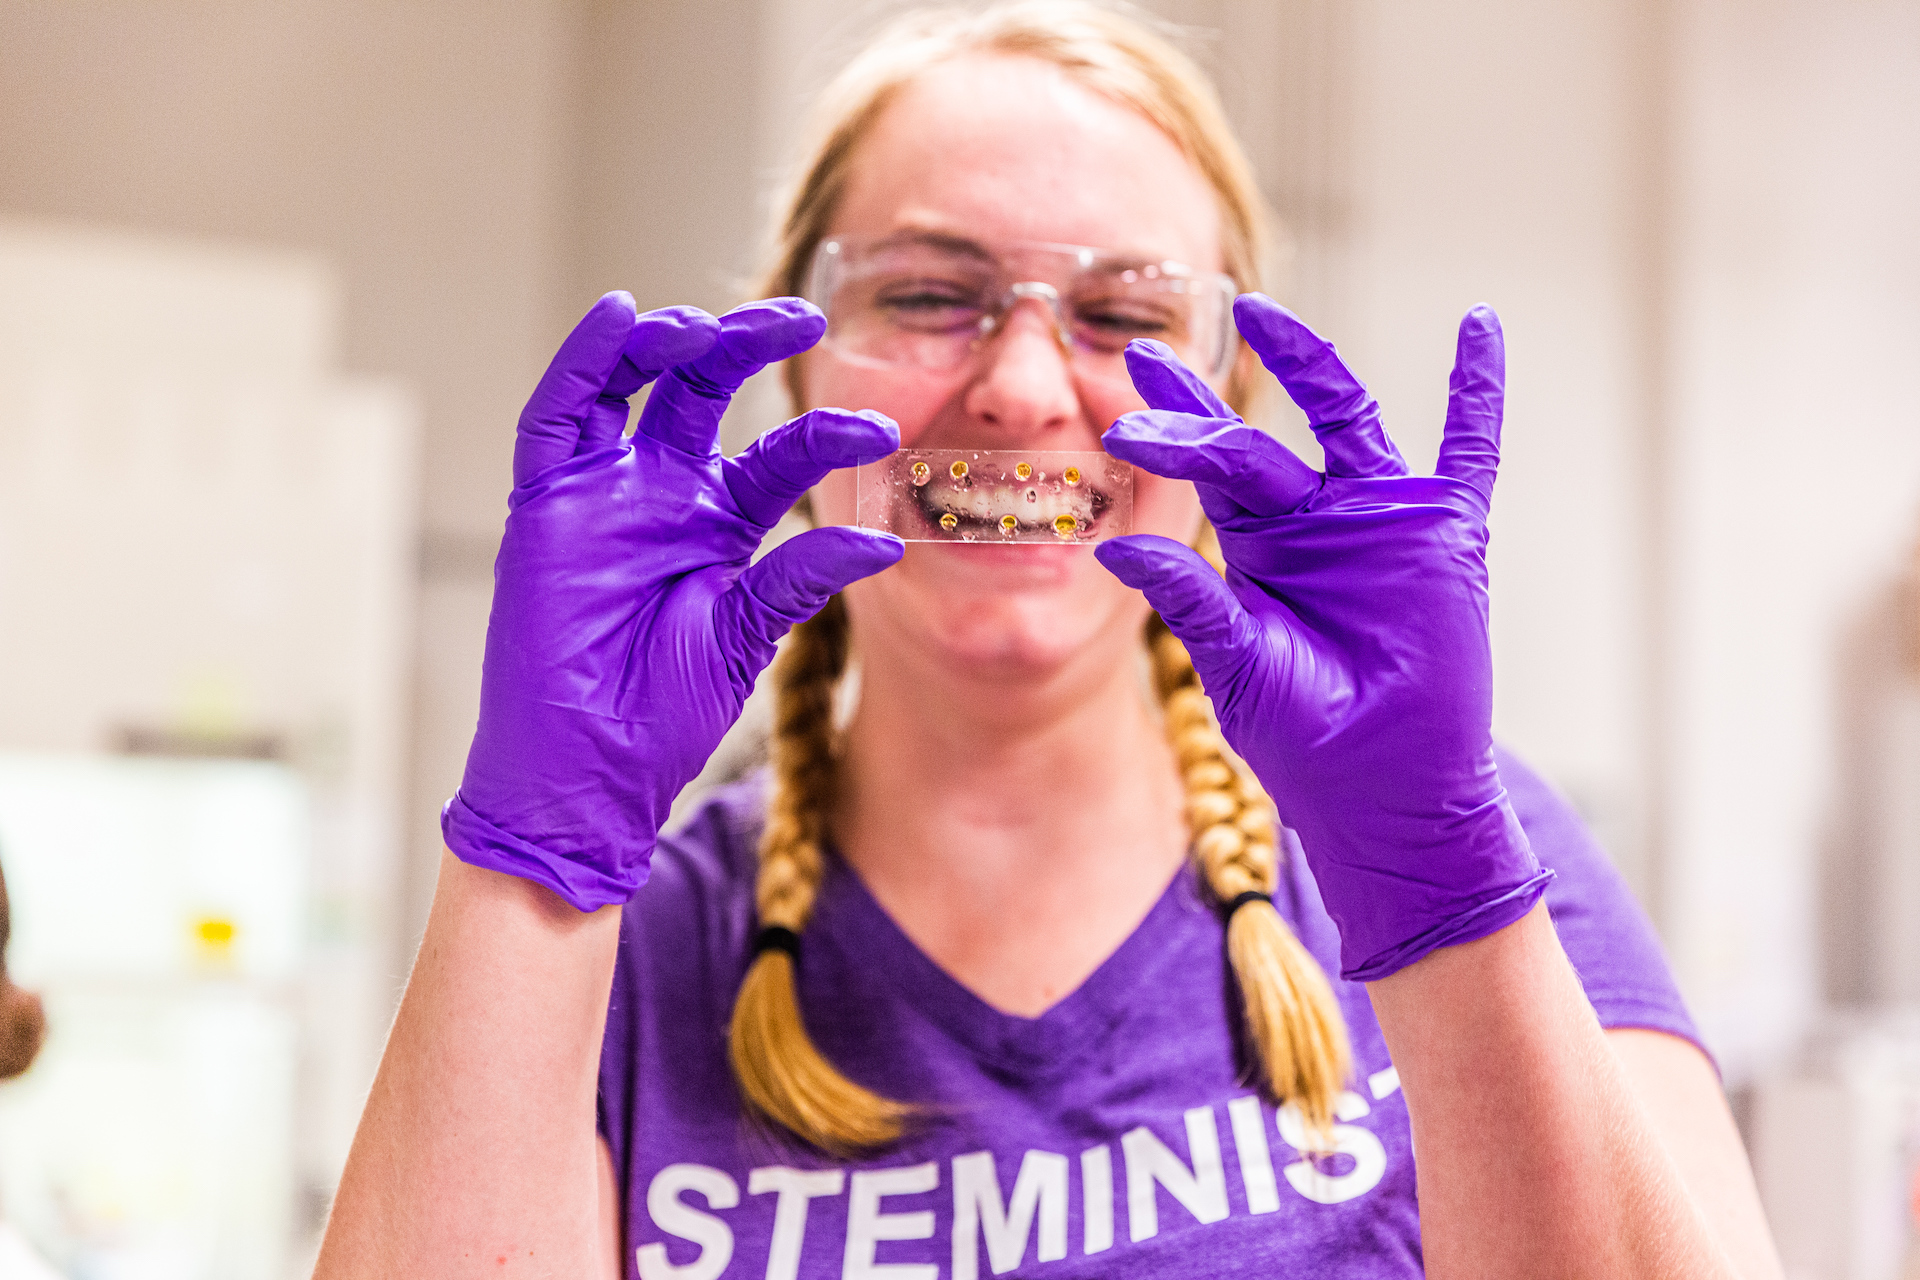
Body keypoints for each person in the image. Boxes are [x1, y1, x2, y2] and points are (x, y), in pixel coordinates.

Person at [317, 5, 1783, 1276]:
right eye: (928, 296)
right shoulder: (632, 949)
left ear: (1229, 412)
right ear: (795, 368)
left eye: (1121, 311)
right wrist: (531, 852)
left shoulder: (1470, 848)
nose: (1021, 388)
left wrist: (1444, 895)